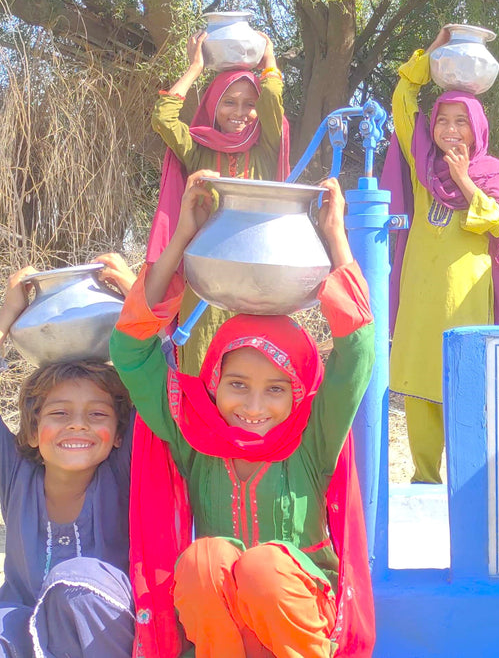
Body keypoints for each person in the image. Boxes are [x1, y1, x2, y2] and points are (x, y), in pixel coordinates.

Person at [110, 171, 375, 658]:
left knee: (263, 570)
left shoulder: (312, 437)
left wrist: (335, 236)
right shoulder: (193, 431)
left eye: (275, 389)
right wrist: (183, 238)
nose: (254, 407)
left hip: (298, 625)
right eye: (237, 386)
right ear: (211, 382)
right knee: (204, 560)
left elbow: (356, 351)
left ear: (298, 393)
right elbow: (130, 350)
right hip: (222, 637)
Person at [381, 27, 499, 484]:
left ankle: (469, 482)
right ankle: (425, 478)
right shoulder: (423, 163)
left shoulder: (490, 170)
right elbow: (403, 101)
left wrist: (464, 180)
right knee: (421, 386)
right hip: (420, 291)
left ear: (477, 127)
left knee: (464, 384)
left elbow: (498, 223)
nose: (449, 130)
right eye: (442, 121)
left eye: (460, 122)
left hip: (465, 293)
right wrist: (432, 49)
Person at [0, 264, 136, 658]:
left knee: (72, 581)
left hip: (107, 627)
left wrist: (136, 302)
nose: (78, 426)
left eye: (97, 415)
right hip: (25, 635)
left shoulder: (122, 470)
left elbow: (161, 378)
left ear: (120, 436)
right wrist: (8, 314)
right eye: (59, 414)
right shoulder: (15, 476)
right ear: (29, 431)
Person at [149, 29, 291, 375]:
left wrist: (269, 63)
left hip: (258, 280)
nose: (239, 112)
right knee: (201, 369)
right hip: (205, 282)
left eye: (248, 104)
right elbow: (163, 118)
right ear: (213, 105)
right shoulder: (198, 149)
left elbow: (272, 98)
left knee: (251, 370)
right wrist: (195, 66)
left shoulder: (266, 147)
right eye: (229, 102)